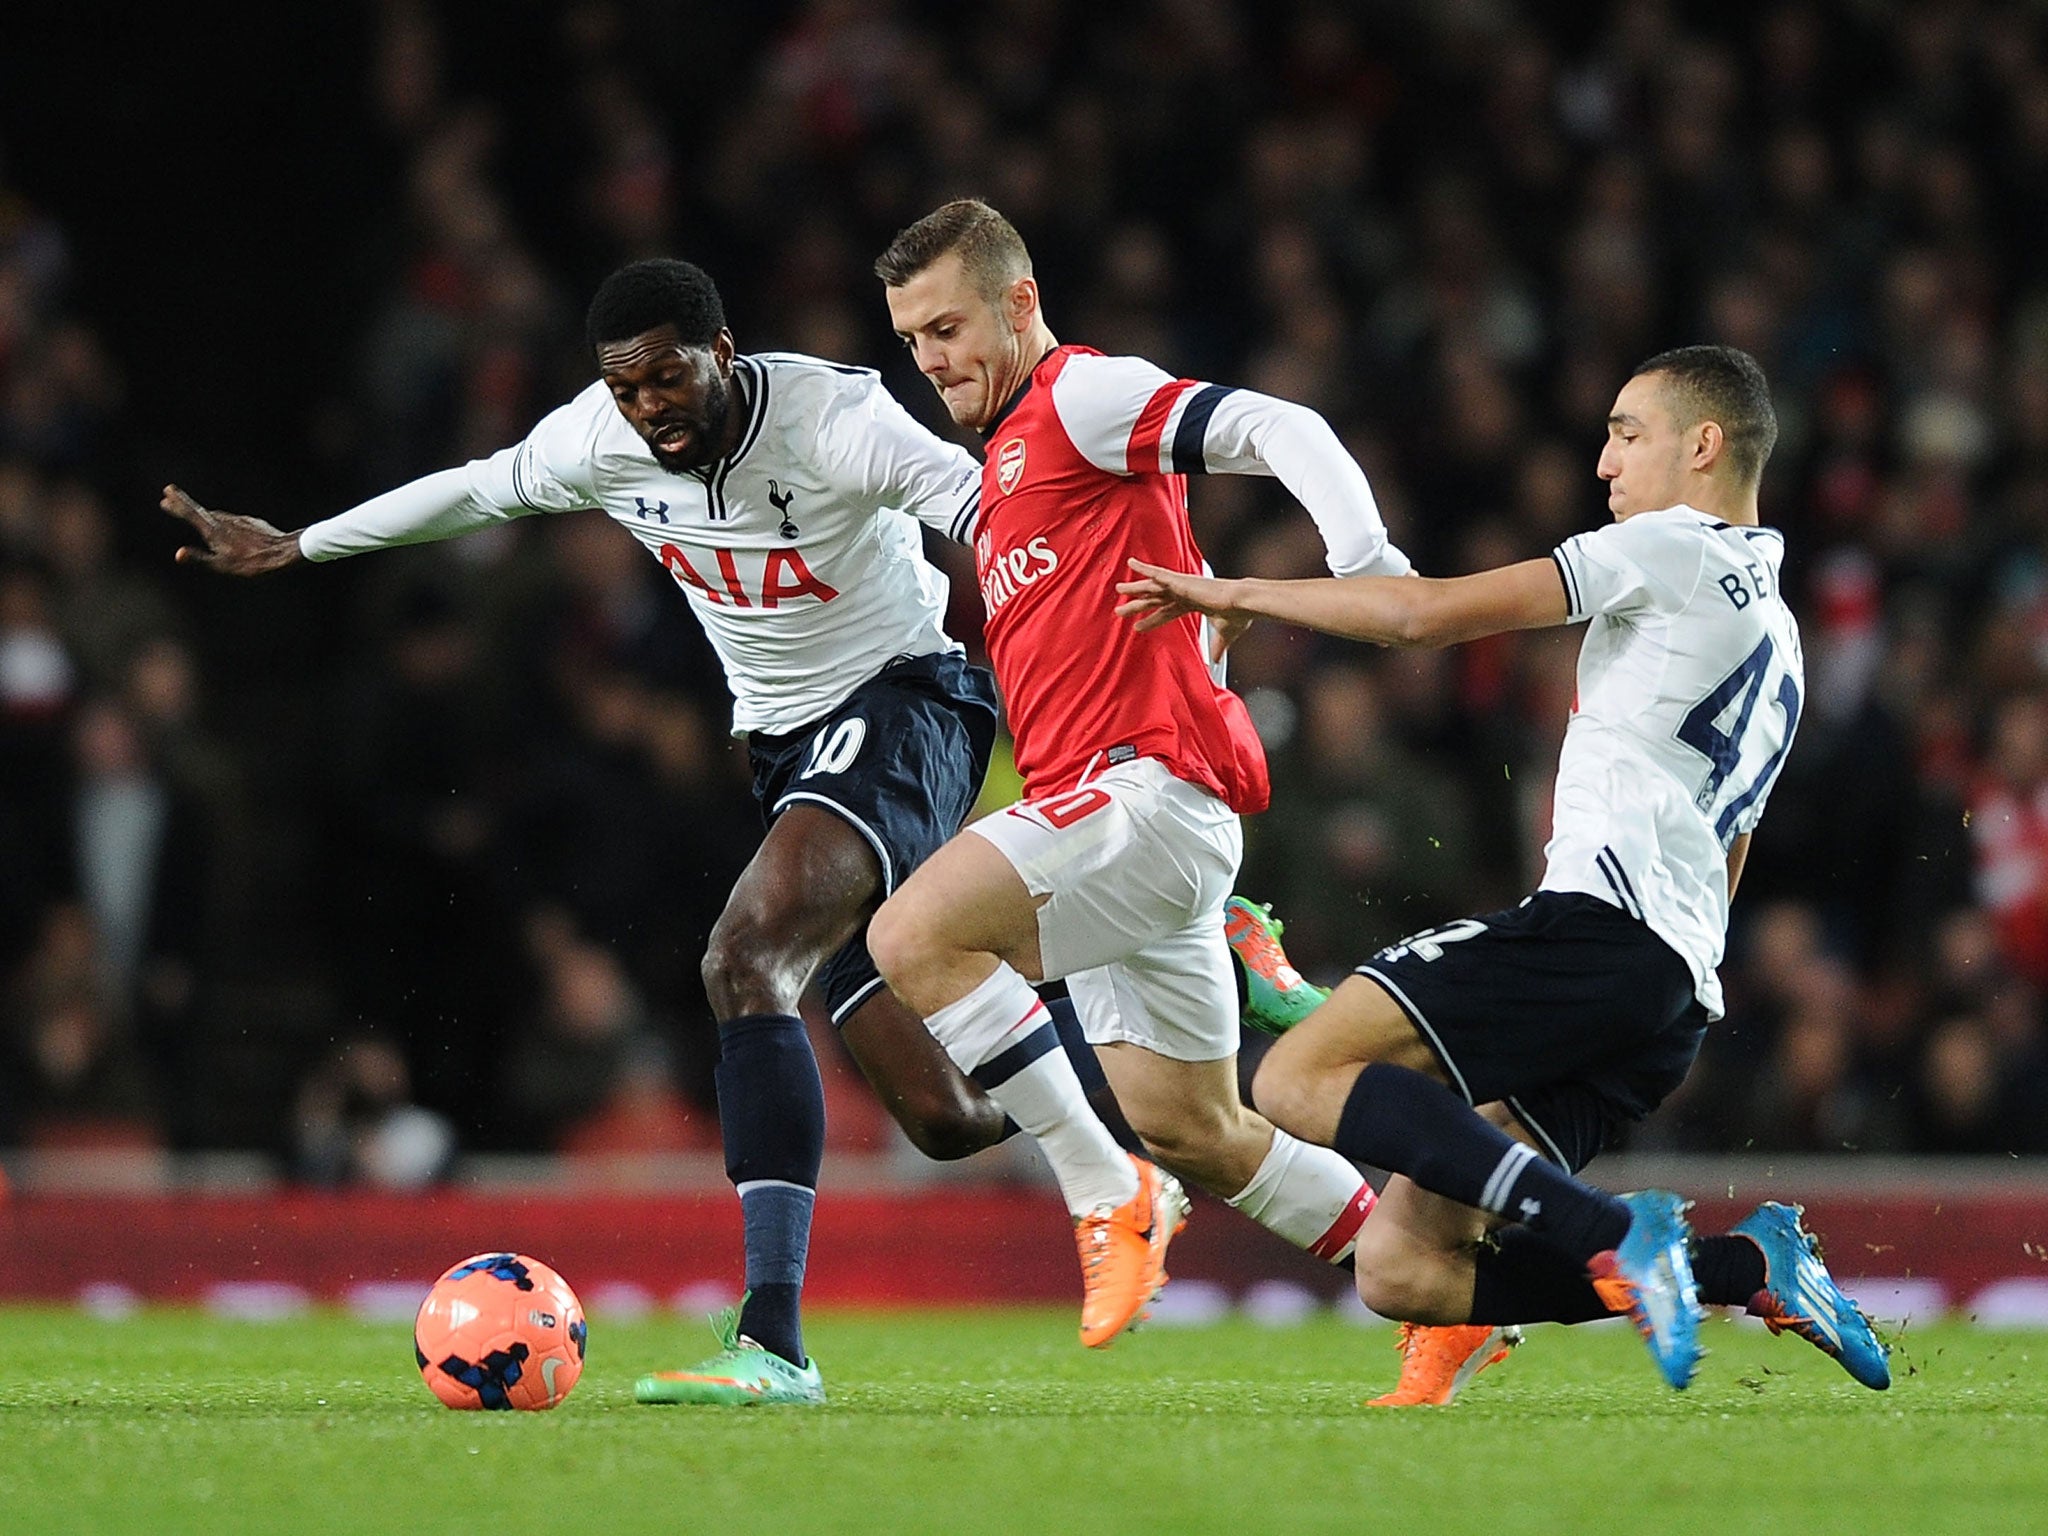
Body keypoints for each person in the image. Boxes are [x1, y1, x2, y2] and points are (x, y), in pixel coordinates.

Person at [161, 257, 1119, 1407]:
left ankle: (773, 1342)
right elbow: (472, 488)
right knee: (949, 1118)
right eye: (625, 387)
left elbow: (976, 504)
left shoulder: (829, 416)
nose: (647, 405)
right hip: (785, 757)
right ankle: (1131, 976)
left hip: (905, 705)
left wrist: (1089, 614)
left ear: (721, 351)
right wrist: (302, 543)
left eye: (667, 377)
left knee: (742, 957)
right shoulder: (598, 439)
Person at [1117, 344, 1891, 1393]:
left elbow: (1418, 616)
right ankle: (1740, 1265)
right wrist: (1685, 983)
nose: (1602, 463)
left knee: (1296, 1081)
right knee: (1401, 1266)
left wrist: (1235, 592)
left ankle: (1620, 1237)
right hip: (1666, 983)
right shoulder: (1779, 634)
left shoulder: (1668, 547)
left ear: (1702, 447)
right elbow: (1731, 836)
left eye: (1626, 433)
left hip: (1600, 930)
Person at [867, 198, 1403, 1346]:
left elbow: (1281, 426)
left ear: (1020, 303)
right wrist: (1205, 633)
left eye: (949, 329)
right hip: (1109, 818)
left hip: (1142, 800)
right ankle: (1428, 1283)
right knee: (1195, 1123)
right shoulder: (1007, 470)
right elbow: (1158, 595)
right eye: (912, 340)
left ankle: (1100, 1191)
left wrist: (1371, 565)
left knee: (911, 938)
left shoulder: (1081, 396)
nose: (931, 361)